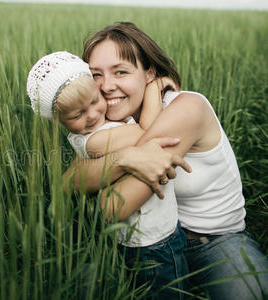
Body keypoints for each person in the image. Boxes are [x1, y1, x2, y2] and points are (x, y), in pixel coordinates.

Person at [63, 21, 268, 299]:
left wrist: (114, 162)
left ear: (149, 73)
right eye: (95, 75)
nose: (107, 86)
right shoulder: (105, 119)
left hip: (211, 241)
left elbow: (111, 207)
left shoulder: (187, 108)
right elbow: (66, 183)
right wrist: (126, 157)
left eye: (121, 72)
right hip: (146, 243)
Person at [26, 51, 189, 299]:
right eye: (77, 115)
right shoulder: (95, 141)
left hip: (156, 231)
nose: (92, 115)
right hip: (151, 241)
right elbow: (148, 131)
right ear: (59, 121)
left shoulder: (105, 124)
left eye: (94, 101)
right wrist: (153, 87)